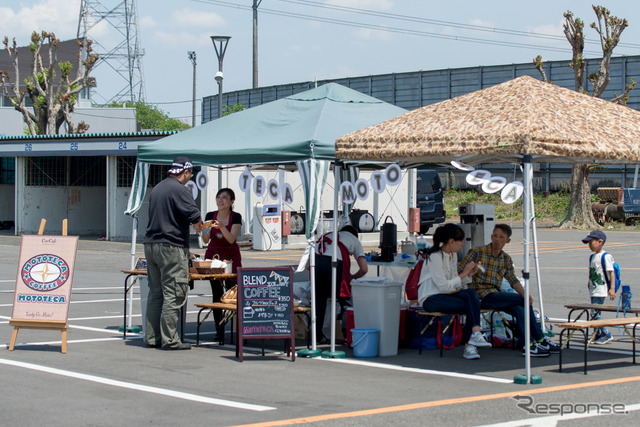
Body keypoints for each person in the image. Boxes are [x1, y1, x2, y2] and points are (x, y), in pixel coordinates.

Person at [458, 223, 559, 357]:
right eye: (495, 236)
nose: (497, 240)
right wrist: (470, 271)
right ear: (491, 236)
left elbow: (513, 280)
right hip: (481, 295)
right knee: (522, 301)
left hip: (496, 295)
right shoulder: (477, 252)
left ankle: (526, 344)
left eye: (501, 237)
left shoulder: (506, 259)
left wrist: (525, 293)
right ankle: (539, 338)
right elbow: (460, 271)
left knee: (521, 309)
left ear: (507, 240)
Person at [143, 156, 202, 350]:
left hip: (151, 245)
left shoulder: (158, 188)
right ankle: (170, 339)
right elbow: (196, 221)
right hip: (171, 246)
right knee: (174, 292)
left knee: (156, 292)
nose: (189, 178)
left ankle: (152, 338)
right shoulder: (181, 191)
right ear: (185, 172)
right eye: (190, 174)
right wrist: (206, 228)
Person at [417, 223, 491, 360]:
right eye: (461, 241)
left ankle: (474, 336)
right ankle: (471, 342)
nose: (463, 244)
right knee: (472, 303)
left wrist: (469, 275)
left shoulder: (453, 255)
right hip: (431, 299)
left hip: (446, 295)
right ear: (451, 241)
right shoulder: (434, 257)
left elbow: (454, 283)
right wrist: (464, 274)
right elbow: (444, 286)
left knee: (471, 296)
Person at [314, 225, 368, 343]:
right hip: (335, 263)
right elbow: (364, 269)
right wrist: (352, 277)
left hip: (317, 261)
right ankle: (346, 336)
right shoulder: (354, 240)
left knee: (319, 301)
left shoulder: (326, 236)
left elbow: (309, 266)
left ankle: (317, 336)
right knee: (345, 301)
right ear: (355, 235)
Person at [201, 188, 242, 342]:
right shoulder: (210, 216)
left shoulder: (236, 217)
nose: (221, 200)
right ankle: (219, 329)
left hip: (231, 256)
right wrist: (205, 229)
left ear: (231, 202)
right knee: (217, 293)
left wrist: (221, 227)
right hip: (214, 255)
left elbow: (231, 238)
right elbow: (205, 240)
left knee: (233, 292)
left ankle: (237, 327)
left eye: (225, 198)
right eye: (218, 197)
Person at [582, 230, 615, 344]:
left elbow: (611, 273)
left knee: (595, 313)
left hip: (601, 289)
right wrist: (588, 282)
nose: (589, 245)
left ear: (600, 242)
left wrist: (612, 288)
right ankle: (597, 334)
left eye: (591, 242)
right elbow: (592, 272)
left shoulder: (606, 256)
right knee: (595, 313)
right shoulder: (592, 257)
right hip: (593, 288)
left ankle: (606, 333)